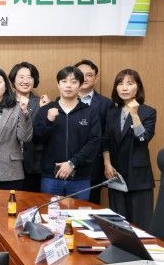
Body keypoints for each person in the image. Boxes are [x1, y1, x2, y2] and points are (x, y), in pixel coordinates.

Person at [32, 66, 101, 200]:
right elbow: (36, 139)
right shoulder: (46, 110)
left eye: (73, 82)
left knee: (78, 213)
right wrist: (49, 121)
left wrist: (72, 163)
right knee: (49, 212)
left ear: (80, 85)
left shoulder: (90, 112)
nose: (68, 86)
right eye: (64, 81)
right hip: (51, 177)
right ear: (58, 84)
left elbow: (94, 143)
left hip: (80, 178)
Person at [102, 69, 156, 230]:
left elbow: (143, 139)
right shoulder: (112, 112)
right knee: (118, 225)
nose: (124, 88)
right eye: (120, 84)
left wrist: (135, 115)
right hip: (115, 174)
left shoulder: (148, 112)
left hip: (138, 176)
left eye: (129, 83)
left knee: (141, 226)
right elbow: (105, 140)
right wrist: (107, 164)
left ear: (137, 87)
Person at [75, 59, 114, 204]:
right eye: (81, 74)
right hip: (68, 164)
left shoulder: (106, 104)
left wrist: (106, 163)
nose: (84, 78)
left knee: (90, 206)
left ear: (95, 78)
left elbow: (107, 136)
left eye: (89, 75)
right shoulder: (61, 101)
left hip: (94, 165)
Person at [8, 62, 50, 192]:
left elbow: (45, 133)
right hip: (8, 163)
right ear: (13, 80)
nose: (25, 81)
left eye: (30, 77)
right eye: (21, 77)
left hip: (34, 163)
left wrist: (45, 111)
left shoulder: (41, 102)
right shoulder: (5, 102)